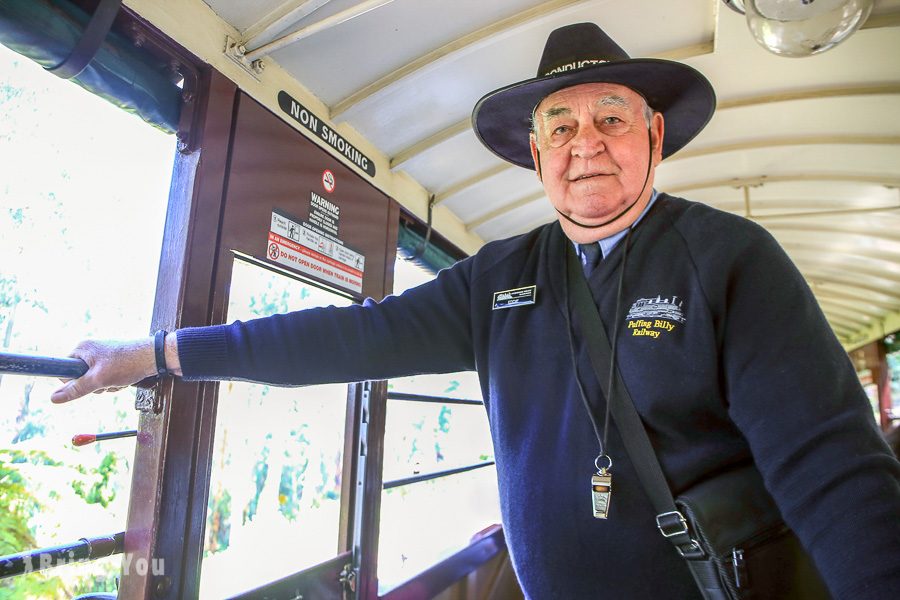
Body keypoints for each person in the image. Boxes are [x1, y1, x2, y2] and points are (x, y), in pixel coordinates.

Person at [52, 23, 900, 599]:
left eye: (611, 118)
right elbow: (348, 336)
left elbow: (833, 470)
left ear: (654, 136)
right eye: (560, 126)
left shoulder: (730, 260)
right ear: (536, 156)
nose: (585, 141)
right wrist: (162, 353)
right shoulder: (502, 277)